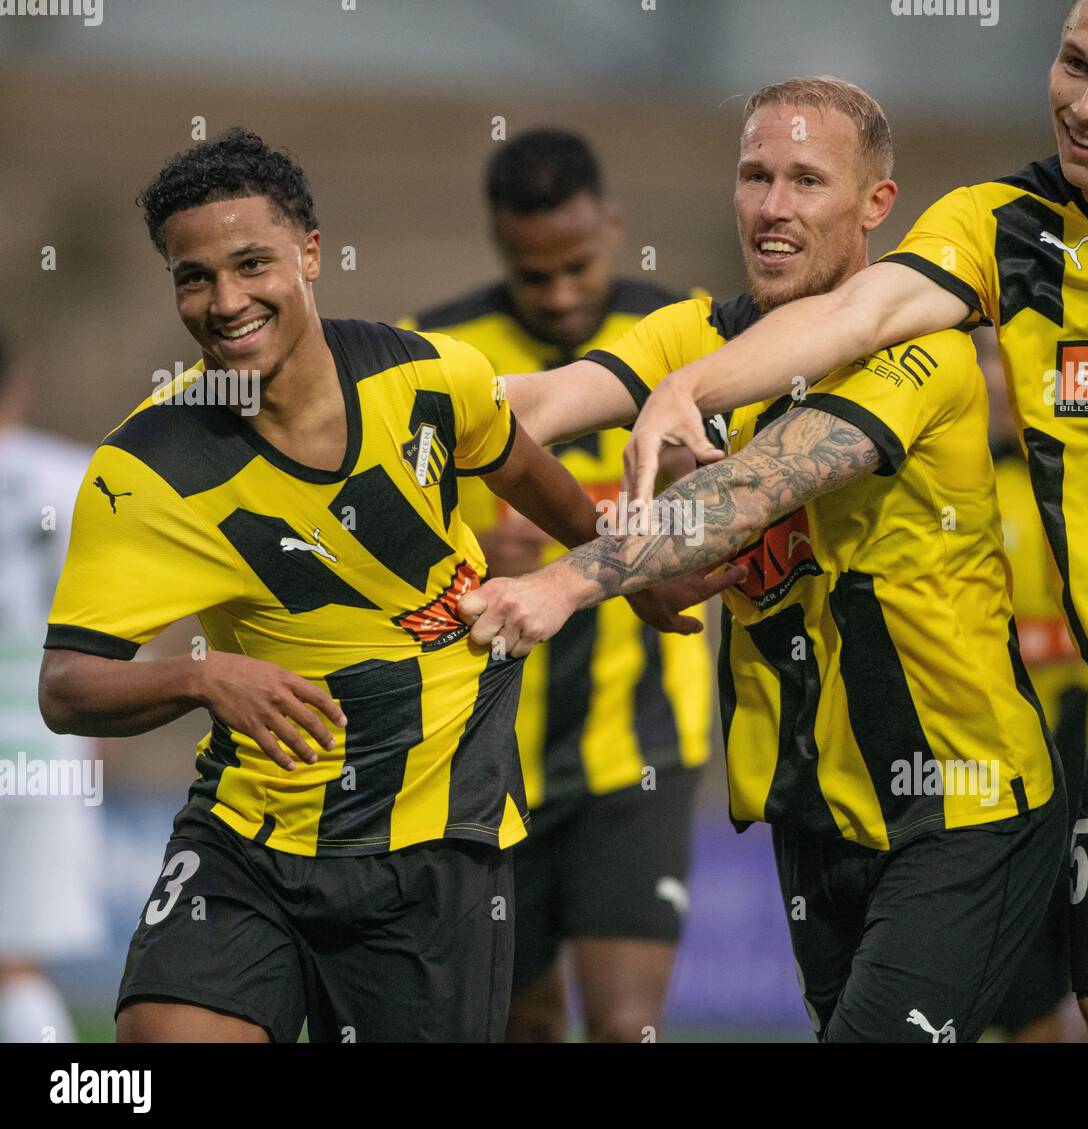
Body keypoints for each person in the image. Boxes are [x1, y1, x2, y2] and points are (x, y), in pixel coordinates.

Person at [619, 0, 1088, 1042]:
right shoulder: (1000, 222)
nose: (1087, 105)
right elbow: (858, 314)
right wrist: (690, 388)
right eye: (1074, 65)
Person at [37, 127, 721, 1043]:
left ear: (310, 254)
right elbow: (67, 686)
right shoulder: (145, 468)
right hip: (253, 840)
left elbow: (517, 462)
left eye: (252, 264)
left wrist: (623, 571)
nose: (226, 300)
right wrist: (202, 678)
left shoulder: (428, 374)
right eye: (193, 277)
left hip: (436, 843)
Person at [460, 76, 1068, 1042]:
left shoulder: (927, 352)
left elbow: (754, 488)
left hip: (961, 807)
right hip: (813, 815)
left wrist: (567, 581)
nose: (774, 207)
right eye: (755, 175)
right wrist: (357, 405)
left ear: (877, 204)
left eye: (807, 180)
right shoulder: (692, 333)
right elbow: (525, 406)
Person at [399, 128, 712, 1043]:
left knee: (626, 1026)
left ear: (612, 228)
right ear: (502, 250)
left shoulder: (689, 332)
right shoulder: (441, 350)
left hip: (642, 748)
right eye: (536, 276)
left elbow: (740, 494)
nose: (563, 293)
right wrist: (471, 553)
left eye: (578, 265)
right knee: (517, 1022)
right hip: (493, 755)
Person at [980, 328, 1088, 1043]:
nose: (999, 380)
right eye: (985, 361)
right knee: (1020, 1001)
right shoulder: (945, 485)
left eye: (1012, 362)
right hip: (983, 779)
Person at [0, 328, 108, 1042]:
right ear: (19, 383)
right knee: (16, 964)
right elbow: (121, 616)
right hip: (39, 745)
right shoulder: (73, 477)